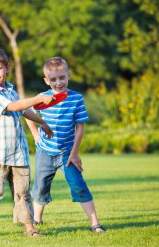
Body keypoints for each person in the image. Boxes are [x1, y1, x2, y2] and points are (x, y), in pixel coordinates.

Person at [0, 48, 55, 238]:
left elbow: (23, 111)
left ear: (7, 68)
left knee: (23, 192)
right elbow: (13, 107)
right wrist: (37, 99)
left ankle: (30, 228)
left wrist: (41, 121)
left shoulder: (11, 91)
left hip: (18, 153)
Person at [27, 57, 105, 233]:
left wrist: (74, 153)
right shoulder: (42, 97)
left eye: (62, 77)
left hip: (67, 153)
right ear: (46, 81)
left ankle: (95, 223)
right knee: (40, 187)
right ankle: (37, 220)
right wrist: (34, 134)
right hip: (44, 153)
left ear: (68, 76)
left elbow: (80, 127)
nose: (58, 82)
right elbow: (28, 114)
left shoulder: (76, 98)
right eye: (53, 79)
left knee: (78, 184)